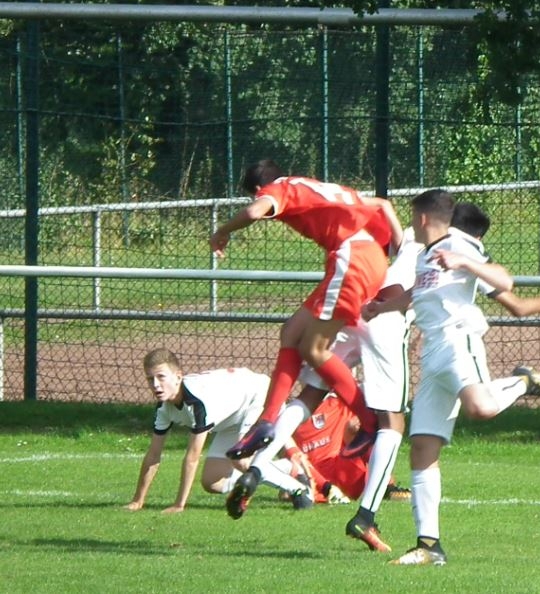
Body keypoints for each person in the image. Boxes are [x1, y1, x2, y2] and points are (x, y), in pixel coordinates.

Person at [364, 191, 540, 566]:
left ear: (423, 218)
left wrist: (464, 261)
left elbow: (503, 280)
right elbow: (418, 293)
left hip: (457, 342)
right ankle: (429, 546)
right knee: (423, 447)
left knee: (481, 408)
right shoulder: (425, 254)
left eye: (413, 217)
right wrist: (382, 308)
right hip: (432, 353)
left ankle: (523, 382)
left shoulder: (458, 244)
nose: (411, 223)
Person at [226, 220, 417, 531]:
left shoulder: (401, 238)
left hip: (356, 308)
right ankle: (366, 515)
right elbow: (421, 291)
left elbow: (394, 240)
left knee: (310, 395)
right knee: (392, 422)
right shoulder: (441, 245)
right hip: (386, 318)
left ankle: (256, 469)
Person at [209, 159, 402, 467]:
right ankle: (266, 423)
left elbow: (254, 212)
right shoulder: (313, 185)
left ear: (258, 188)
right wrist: (398, 247)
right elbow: (380, 204)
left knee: (314, 348)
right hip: (361, 256)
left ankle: (368, 422)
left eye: (256, 194)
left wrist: (223, 231)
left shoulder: (278, 189)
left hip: (352, 259)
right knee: (291, 333)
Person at [124, 348, 314, 513]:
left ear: (178, 377)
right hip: (232, 416)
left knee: (240, 459)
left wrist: (179, 505)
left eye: (161, 377)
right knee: (212, 482)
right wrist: (137, 501)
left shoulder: (197, 402)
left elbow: (192, 457)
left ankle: (298, 489)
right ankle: (288, 468)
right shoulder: (163, 408)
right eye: (150, 379)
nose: (155, 385)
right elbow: (153, 455)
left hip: (260, 395)